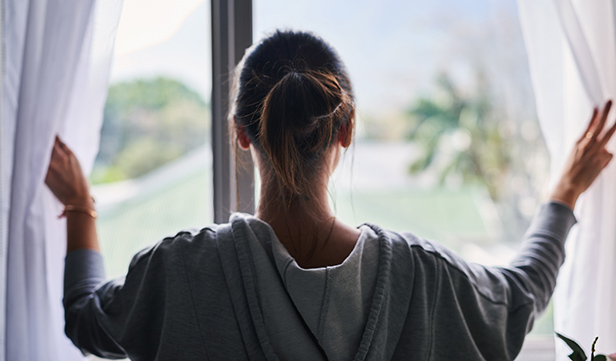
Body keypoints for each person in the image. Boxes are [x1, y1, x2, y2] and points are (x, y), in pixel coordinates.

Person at [46, 30, 616, 361]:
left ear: (241, 133)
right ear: (345, 130)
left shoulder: (176, 272)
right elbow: (521, 297)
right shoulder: (428, 279)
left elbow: (85, 318)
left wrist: (80, 207)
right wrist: (564, 192)